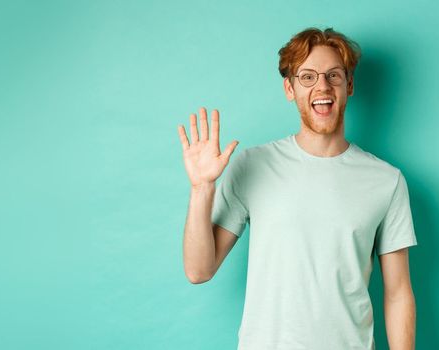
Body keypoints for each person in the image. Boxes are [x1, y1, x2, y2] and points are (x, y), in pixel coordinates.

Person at [177, 27, 417, 350]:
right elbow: (198, 269)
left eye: (333, 75)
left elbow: (399, 292)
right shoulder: (252, 165)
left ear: (349, 85)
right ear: (289, 88)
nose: (322, 86)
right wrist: (202, 188)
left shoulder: (386, 181)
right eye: (308, 77)